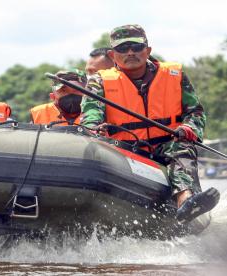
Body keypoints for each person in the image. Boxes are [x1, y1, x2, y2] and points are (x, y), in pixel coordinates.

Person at [80, 24, 219, 222]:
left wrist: (189, 128)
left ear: (148, 50)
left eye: (136, 47)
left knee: (181, 148)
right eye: (123, 48)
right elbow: (91, 115)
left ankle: (186, 201)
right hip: (125, 150)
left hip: (168, 145)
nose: (130, 52)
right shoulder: (98, 81)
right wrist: (95, 128)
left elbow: (195, 112)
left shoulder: (175, 75)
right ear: (113, 55)